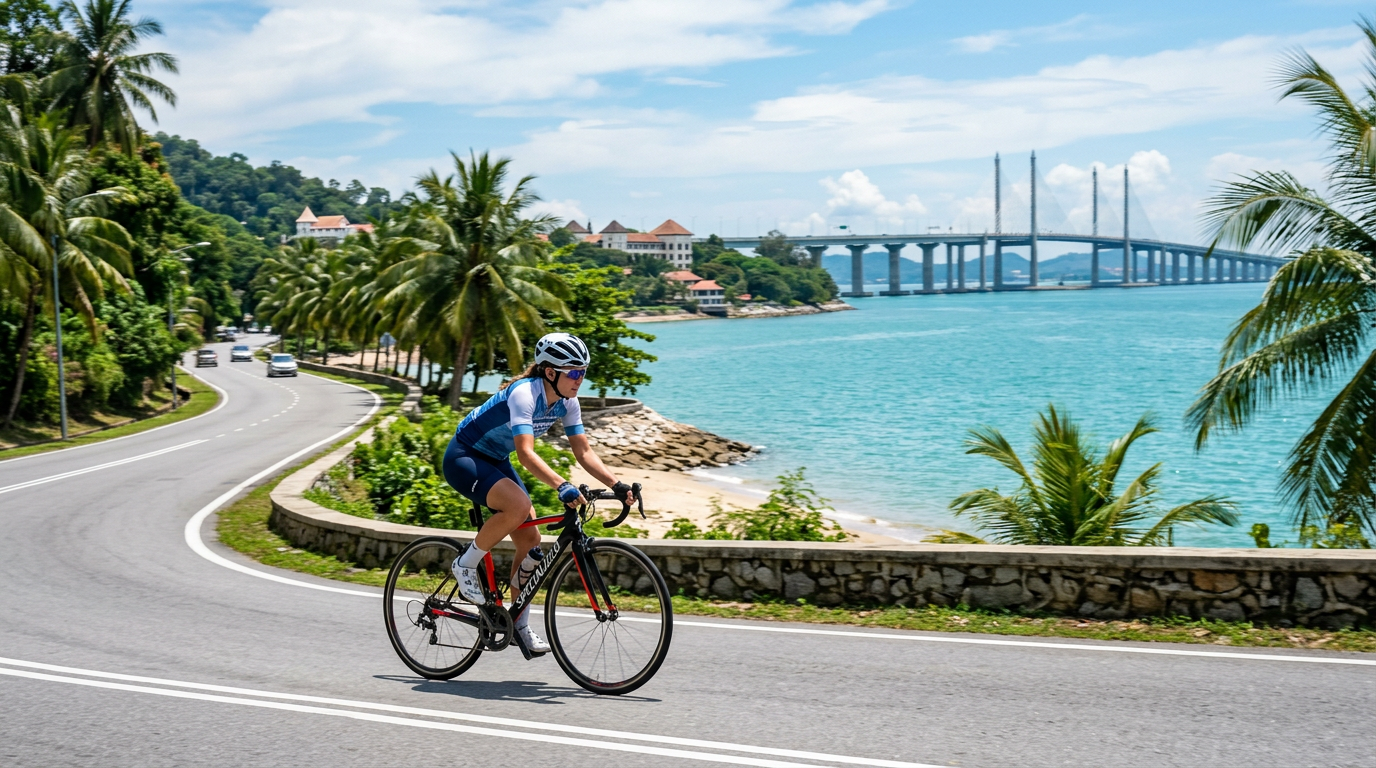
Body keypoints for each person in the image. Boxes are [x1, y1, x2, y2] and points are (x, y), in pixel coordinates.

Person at [442, 332, 637, 654]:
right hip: (464, 456)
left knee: (531, 541)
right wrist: (562, 485)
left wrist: (617, 485)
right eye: (574, 373)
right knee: (519, 507)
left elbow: (584, 451)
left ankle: (518, 625)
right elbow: (526, 453)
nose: (579, 379)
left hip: (495, 460)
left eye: (583, 372)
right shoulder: (524, 393)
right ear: (550, 372)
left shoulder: (568, 402)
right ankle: (465, 564)